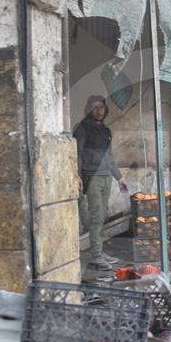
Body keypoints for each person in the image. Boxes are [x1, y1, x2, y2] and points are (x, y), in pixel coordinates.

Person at [74, 95, 128, 271]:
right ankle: (96, 255)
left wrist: (119, 177)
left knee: (102, 215)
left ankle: (99, 251)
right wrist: (77, 175)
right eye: (95, 107)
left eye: (102, 108)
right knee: (97, 216)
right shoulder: (82, 128)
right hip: (91, 176)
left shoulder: (106, 131)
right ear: (89, 109)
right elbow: (77, 153)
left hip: (106, 177)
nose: (99, 111)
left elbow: (110, 157)